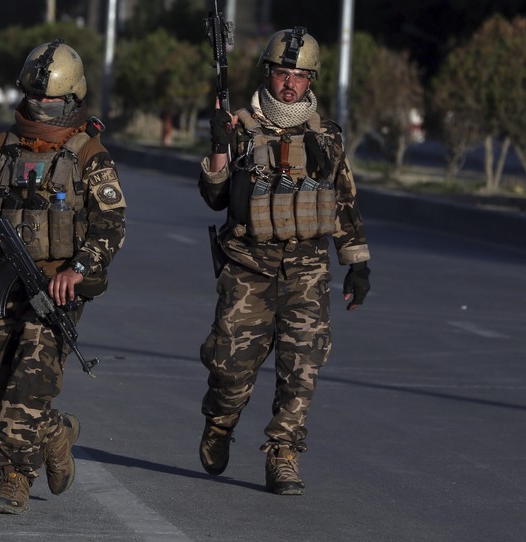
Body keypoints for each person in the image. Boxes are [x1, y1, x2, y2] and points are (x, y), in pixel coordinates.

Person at [0, 39, 126, 514]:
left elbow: (112, 225)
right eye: (32, 100)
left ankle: (14, 482)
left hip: (56, 291)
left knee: (23, 395)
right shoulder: (3, 148)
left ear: (70, 101)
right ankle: (55, 431)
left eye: (48, 103)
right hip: (7, 283)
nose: (39, 109)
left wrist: (80, 268)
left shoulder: (89, 153)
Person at [197, 27, 371, 496]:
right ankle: (220, 422)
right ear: (268, 74)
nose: (289, 84)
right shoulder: (236, 126)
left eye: (299, 75)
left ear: (311, 80)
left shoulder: (326, 135)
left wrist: (356, 261)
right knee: (230, 371)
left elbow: (344, 201)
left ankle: (284, 454)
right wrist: (217, 150)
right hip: (248, 270)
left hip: (307, 272)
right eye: (282, 74)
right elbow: (215, 199)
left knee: (302, 370)